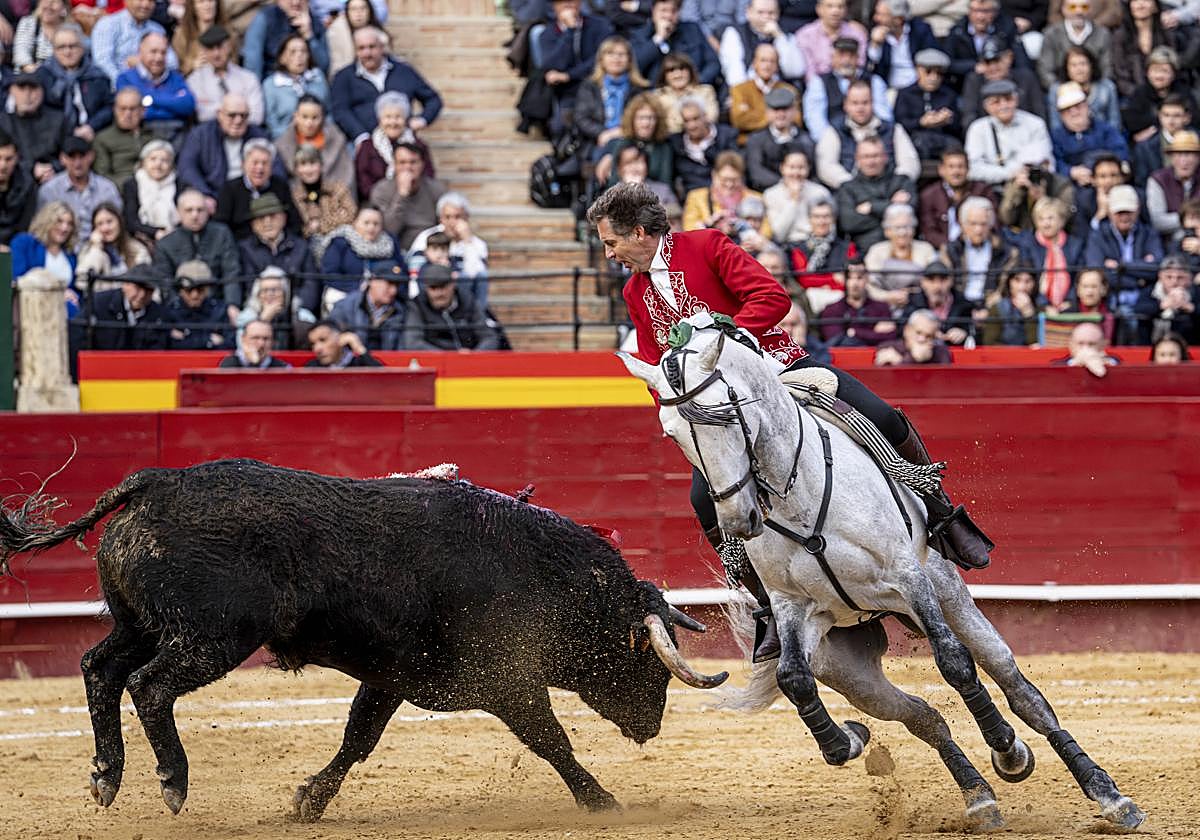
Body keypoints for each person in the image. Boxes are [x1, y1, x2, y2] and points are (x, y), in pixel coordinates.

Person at [586, 181, 995, 660]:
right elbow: (657, 363)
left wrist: (730, 339)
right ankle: (766, 609)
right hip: (720, 411)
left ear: (638, 232)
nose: (609, 254)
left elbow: (771, 298)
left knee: (881, 415)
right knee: (704, 498)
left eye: (611, 242)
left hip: (777, 372)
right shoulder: (636, 291)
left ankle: (943, 515)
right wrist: (675, 409)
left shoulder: (707, 246)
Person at [329, 26, 441, 148]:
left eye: (372, 47)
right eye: (361, 48)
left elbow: (433, 99)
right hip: (362, 144)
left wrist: (422, 120)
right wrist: (360, 136)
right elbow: (340, 111)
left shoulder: (404, 71)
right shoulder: (344, 77)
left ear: (382, 47)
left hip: (403, 143)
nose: (367, 53)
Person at [814, 79, 919, 191]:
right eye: (855, 103)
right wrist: (852, 187)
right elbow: (826, 166)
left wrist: (895, 185)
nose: (860, 108)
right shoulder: (834, 130)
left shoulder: (893, 129)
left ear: (873, 103)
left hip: (888, 192)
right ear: (845, 104)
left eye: (865, 102)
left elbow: (910, 162)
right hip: (849, 194)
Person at [152, 188, 241, 316]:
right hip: (180, 310)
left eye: (200, 210)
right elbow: (166, 284)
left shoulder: (222, 234)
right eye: (189, 210)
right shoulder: (165, 244)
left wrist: (232, 305)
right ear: (178, 213)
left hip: (218, 305)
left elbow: (231, 273)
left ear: (207, 212)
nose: (195, 215)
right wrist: (176, 311)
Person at [177, 92, 274, 206]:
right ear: (219, 114)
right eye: (232, 115)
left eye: (243, 115)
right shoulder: (200, 135)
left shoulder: (259, 135)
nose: (238, 120)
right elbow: (187, 168)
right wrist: (205, 194)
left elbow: (275, 167)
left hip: (252, 198)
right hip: (212, 195)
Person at [1083, 184, 1164, 312]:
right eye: (1119, 212)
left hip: (1144, 301)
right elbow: (1097, 271)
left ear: (1137, 210)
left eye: (1129, 212)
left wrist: (1121, 266)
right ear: (1110, 212)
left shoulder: (1149, 233)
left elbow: (1157, 266)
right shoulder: (1098, 236)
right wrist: (1138, 281)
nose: (1124, 217)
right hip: (1110, 300)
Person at [803, 35, 892, 146]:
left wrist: (870, 142)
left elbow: (884, 116)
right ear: (832, 57)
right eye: (841, 55)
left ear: (858, 58)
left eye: (851, 56)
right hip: (832, 140)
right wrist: (829, 142)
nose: (846, 61)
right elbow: (815, 119)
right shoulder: (819, 82)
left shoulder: (874, 81)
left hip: (870, 139)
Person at [406, 192, 490, 306]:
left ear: (466, 218)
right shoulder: (426, 237)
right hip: (430, 293)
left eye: (457, 217)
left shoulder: (477, 244)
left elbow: (475, 274)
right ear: (440, 219)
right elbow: (414, 274)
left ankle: (480, 317)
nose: (452, 222)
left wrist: (467, 243)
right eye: (447, 217)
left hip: (462, 295)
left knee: (481, 276)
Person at [963, 78, 1052, 186]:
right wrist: (1009, 174)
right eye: (996, 102)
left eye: (1008, 99)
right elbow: (973, 169)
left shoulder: (1035, 124)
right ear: (986, 106)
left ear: (1016, 100)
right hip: (993, 187)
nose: (1003, 106)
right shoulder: (978, 128)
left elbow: (1043, 159)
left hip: (1031, 183)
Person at [835, 136, 916, 252]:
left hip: (905, 251)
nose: (871, 161)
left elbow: (912, 210)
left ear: (885, 157)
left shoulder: (902, 181)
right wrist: (893, 206)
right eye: (866, 156)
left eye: (876, 156)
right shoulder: (847, 188)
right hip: (864, 253)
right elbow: (848, 223)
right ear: (857, 159)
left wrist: (872, 207)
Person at [537, 0, 616, 116]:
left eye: (572, 0)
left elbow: (601, 58)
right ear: (554, 6)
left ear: (579, 3)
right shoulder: (547, 34)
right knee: (560, 126)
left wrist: (569, 75)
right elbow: (553, 65)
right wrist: (570, 31)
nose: (567, 4)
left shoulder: (599, 25)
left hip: (598, 84)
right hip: (566, 90)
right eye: (561, 2)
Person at [319, 206, 404, 314]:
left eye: (376, 224)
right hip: (346, 292)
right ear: (355, 223)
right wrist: (360, 287)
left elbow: (401, 272)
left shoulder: (390, 243)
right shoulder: (340, 242)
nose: (371, 227)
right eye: (366, 223)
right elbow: (329, 274)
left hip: (384, 297)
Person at [35, 22, 112, 141]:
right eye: (61, 47)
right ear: (54, 50)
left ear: (82, 48)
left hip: (92, 134)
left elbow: (109, 107)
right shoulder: (43, 75)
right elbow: (39, 109)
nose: (67, 52)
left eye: (73, 46)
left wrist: (91, 126)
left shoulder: (97, 76)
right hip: (52, 135)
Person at [37, 135, 122, 243]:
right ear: (62, 159)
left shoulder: (107, 188)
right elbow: (42, 228)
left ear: (91, 156)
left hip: (101, 246)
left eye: (82, 156)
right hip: (62, 248)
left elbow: (117, 225)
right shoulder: (49, 190)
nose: (77, 163)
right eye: (72, 157)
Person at [403, 263, 504, 352]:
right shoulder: (417, 305)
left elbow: (489, 337)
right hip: (436, 365)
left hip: (470, 362)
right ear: (426, 288)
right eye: (433, 288)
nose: (439, 293)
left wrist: (474, 356)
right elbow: (413, 342)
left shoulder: (468, 301)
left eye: (443, 286)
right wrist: (450, 357)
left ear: (453, 284)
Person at [353, 91, 435, 201]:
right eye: (388, 117)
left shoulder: (419, 145)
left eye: (398, 117)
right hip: (377, 203)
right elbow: (362, 182)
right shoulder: (367, 147)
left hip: (414, 202)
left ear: (405, 119)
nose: (393, 122)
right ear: (380, 120)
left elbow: (428, 177)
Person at [214, 137, 301, 239]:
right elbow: (221, 227)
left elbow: (294, 222)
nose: (260, 168)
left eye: (265, 163)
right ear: (243, 165)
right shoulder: (229, 189)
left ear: (271, 167)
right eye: (255, 163)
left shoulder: (280, 185)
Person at [114, 32, 196, 139]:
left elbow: (188, 106)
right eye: (153, 52)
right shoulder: (126, 78)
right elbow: (135, 114)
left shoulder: (176, 78)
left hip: (178, 133)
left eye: (163, 53)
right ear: (140, 52)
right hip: (141, 135)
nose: (158, 58)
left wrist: (149, 99)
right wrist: (173, 105)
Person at [941, 195, 1018, 307]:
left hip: (992, 306)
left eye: (983, 224)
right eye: (973, 224)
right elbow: (947, 283)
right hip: (957, 305)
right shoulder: (950, 250)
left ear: (990, 224)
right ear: (963, 225)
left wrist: (989, 306)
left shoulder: (1006, 252)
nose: (978, 230)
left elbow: (1003, 287)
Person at [369, 141, 446, 250]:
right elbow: (388, 231)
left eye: (413, 162)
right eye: (402, 162)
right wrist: (402, 195)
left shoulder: (436, 189)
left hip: (429, 249)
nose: (408, 167)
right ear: (394, 165)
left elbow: (444, 227)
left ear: (422, 164)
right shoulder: (381, 190)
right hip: (393, 251)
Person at [1050, 82, 1127, 189]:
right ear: (1061, 115)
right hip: (1072, 186)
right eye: (1067, 109)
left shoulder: (1105, 129)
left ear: (1087, 106)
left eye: (1078, 106)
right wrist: (1071, 172)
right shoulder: (1056, 136)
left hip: (1107, 182)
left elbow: (1120, 152)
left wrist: (1099, 172)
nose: (1074, 112)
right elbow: (1054, 162)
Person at [863, 203, 936, 314]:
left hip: (919, 306)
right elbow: (868, 285)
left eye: (907, 227)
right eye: (897, 228)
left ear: (914, 229)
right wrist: (888, 296)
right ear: (887, 231)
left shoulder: (926, 249)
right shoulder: (876, 251)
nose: (902, 233)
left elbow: (933, 282)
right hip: (882, 306)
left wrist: (912, 295)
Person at [1017, 196, 1086, 312]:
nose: (1046, 223)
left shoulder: (1075, 245)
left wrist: (1069, 301)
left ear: (1062, 221)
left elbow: (1078, 277)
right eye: (1041, 219)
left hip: (1070, 304)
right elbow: (1028, 278)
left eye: (1050, 218)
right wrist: (1044, 305)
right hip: (1037, 305)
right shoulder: (1028, 245)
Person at [0, 72, 71, 185]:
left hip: (54, 180)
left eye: (33, 88)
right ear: (12, 91)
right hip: (14, 183)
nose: (27, 95)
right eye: (22, 89)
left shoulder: (58, 120)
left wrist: (53, 168)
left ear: (42, 91)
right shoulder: (3, 122)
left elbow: (70, 152)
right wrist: (31, 168)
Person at [630, 0, 720, 89]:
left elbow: (713, 63)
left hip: (692, 91)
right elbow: (635, 67)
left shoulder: (692, 30)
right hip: (657, 95)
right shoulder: (639, 35)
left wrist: (697, 82)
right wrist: (658, 39)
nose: (668, 16)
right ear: (653, 11)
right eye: (663, 10)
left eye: (673, 11)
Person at [958, 36, 1045, 127]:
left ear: (1009, 57)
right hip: (987, 135)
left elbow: (1039, 113)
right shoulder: (974, 81)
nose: (993, 67)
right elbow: (969, 118)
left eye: (997, 61)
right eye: (987, 62)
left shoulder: (1026, 78)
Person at [187, 24, 264, 125]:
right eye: (210, 49)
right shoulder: (195, 80)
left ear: (229, 47)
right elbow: (201, 115)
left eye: (220, 47)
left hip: (243, 134)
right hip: (209, 135)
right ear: (204, 51)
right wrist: (238, 111)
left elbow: (257, 116)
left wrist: (216, 109)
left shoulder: (248, 78)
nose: (216, 54)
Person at [918, 148, 995, 250]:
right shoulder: (929, 195)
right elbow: (928, 231)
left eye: (961, 166)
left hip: (979, 247)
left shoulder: (982, 191)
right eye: (951, 167)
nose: (956, 171)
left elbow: (993, 225)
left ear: (968, 169)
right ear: (941, 170)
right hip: (941, 250)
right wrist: (952, 248)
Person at [591, 91, 672, 188]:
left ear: (658, 121)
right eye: (641, 118)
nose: (646, 124)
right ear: (632, 120)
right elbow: (612, 182)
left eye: (651, 118)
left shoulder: (663, 148)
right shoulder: (620, 144)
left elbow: (665, 184)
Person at [682, 150, 770, 238]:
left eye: (735, 180)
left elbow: (766, 231)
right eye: (724, 179)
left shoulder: (756, 198)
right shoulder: (696, 197)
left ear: (742, 177)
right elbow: (688, 230)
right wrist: (711, 223)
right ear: (714, 175)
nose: (729, 184)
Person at [717, 0, 805, 88]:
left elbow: (795, 71)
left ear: (778, 13)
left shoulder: (786, 35)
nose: (766, 17)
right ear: (748, 12)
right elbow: (734, 74)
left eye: (771, 13)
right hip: (743, 92)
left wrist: (779, 37)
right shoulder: (734, 32)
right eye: (760, 12)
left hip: (779, 94)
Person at [11, 201, 78, 315]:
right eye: (59, 221)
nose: (64, 228)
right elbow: (17, 278)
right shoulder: (25, 243)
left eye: (69, 223)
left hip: (66, 316)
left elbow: (75, 288)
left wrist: (74, 296)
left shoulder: (71, 256)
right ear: (47, 221)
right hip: (32, 311)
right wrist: (59, 293)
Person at [893, 48, 961, 162]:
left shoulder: (948, 94)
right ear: (918, 70)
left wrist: (947, 120)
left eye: (939, 73)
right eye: (928, 71)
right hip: (916, 139)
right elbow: (899, 123)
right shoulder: (905, 94)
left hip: (943, 138)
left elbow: (958, 127)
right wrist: (921, 122)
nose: (934, 77)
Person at [790, 199, 857, 312]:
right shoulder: (799, 248)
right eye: (817, 217)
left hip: (840, 299)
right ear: (810, 219)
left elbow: (851, 279)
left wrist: (823, 284)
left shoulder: (847, 247)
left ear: (833, 219)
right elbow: (804, 280)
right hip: (809, 301)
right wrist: (833, 278)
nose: (821, 221)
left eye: (826, 216)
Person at [743, 87, 813, 193]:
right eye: (775, 110)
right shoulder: (756, 139)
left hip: (802, 192)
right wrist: (784, 185)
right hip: (765, 193)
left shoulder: (806, 140)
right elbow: (756, 172)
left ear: (795, 110)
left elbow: (813, 171)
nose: (781, 115)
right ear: (767, 112)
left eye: (785, 109)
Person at [274, 94, 353, 188]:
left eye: (315, 118)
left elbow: (346, 175)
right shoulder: (282, 145)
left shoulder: (337, 140)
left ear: (322, 118)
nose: (309, 123)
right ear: (296, 117)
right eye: (304, 117)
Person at [90, 0, 177, 84]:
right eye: (140, 0)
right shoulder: (108, 25)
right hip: (116, 91)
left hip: (154, 88)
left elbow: (173, 63)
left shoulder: (157, 29)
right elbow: (102, 63)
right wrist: (124, 83)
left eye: (151, 1)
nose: (145, 5)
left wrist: (145, 63)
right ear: (126, 1)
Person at [728, 43, 800, 144]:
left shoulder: (788, 89)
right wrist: (777, 118)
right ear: (754, 63)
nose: (767, 65)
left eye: (772, 61)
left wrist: (754, 115)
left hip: (783, 141)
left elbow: (796, 119)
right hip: (748, 143)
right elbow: (739, 120)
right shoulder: (739, 90)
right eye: (763, 60)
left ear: (777, 66)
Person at [328, 258, 407, 351]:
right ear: (372, 281)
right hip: (354, 363)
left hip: (388, 363)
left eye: (397, 285)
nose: (394, 291)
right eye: (389, 283)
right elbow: (331, 339)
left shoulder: (401, 310)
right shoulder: (345, 307)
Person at [237, 192, 317, 283]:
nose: (267, 223)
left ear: (284, 218)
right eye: (261, 218)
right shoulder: (244, 249)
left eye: (273, 216)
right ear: (253, 224)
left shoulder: (301, 246)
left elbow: (310, 284)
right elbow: (248, 285)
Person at [88, 263, 170, 350]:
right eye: (138, 288)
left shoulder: (159, 315)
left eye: (148, 290)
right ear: (125, 285)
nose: (142, 295)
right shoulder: (99, 304)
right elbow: (79, 339)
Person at [262, 33, 329, 139]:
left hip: (321, 138)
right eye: (293, 52)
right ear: (282, 58)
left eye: (303, 51)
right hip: (286, 141)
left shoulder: (318, 77)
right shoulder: (270, 85)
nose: (299, 56)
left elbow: (329, 112)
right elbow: (271, 124)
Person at [817, 258, 898, 346]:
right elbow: (836, 340)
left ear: (867, 279)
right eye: (850, 278)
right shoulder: (832, 310)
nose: (854, 283)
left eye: (859, 277)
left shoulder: (882, 307)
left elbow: (891, 336)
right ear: (844, 280)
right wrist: (873, 334)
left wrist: (854, 332)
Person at [667, 96, 738, 195]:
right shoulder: (676, 143)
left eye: (696, 119)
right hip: (692, 199)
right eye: (687, 121)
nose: (692, 126)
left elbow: (736, 169)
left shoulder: (726, 135)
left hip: (727, 193)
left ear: (705, 116)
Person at [75, 201, 151, 295]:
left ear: (119, 222)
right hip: (102, 305)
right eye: (100, 224)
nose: (106, 228)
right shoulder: (88, 250)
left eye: (109, 222)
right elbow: (82, 283)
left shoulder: (137, 249)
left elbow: (147, 283)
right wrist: (96, 249)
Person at [240, 0, 329, 79]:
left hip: (307, 86)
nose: (296, 2)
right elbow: (252, 64)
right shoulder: (265, 19)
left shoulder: (314, 23)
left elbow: (323, 66)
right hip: (273, 86)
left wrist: (309, 35)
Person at [234, 265, 316, 349]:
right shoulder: (246, 316)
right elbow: (242, 347)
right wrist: (263, 320)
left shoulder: (303, 315)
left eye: (275, 290)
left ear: (285, 293)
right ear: (258, 295)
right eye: (265, 290)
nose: (270, 294)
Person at [865, 0, 941, 91]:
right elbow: (871, 67)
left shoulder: (920, 30)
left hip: (917, 88)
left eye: (882, 15)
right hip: (889, 88)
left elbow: (932, 57)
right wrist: (875, 45)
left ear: (898, 19)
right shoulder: (875, 30)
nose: (876, 18)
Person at [763, 149, 832, 246]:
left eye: (801, 167)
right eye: (791, 167)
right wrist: (794, 200)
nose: (796, 173)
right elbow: (779, 234)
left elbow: (830, 227)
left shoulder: (820, 192)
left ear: (808, 169)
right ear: (782, 168)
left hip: (818, 243)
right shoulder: (771, 194)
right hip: (788, 246)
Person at [1045, 45, 1120, 134]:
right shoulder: (1056, 90)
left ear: (1091, 65)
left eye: (1083, 64)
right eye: (1074, 65)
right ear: (1067, 68)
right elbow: (1055, 125)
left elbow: (1114, 121)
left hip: (1103, 139)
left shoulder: (1107, 87)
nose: (1079, 69)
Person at [1037, 0, 1111, 90]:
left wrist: (1091, 89)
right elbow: (1045, 70)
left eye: (1084, 7)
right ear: (1063, 9)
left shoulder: (1102, 33)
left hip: (1095, 90)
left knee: (1108, 87)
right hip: (1062, 89)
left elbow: (1107, 68)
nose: (1078, 11)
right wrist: (1065, 90)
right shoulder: (1051, 34)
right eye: (1072, 7)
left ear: (1090, 9)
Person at [290, 143, 356, 241]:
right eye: (303, 164)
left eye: (313, 163)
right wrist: (336, 218)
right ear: (296, 169)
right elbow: (300, 228)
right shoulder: (294, 196)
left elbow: (351, 214)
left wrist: (319, 225)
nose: (309, 170)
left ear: (321, 165)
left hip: (343, 239)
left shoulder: (337, 188)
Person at [902, 259, 977, 345]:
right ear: (923, 282)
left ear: (950, 281)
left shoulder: (962, 303)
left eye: (943, 280)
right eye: (931, 280)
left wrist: (963, 333)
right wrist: (927, 332)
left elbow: (972, 331)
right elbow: (902, 329)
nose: (937, 286)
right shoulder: (913, 302)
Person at [121, 138, 179, 245]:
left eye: (165, 160)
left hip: (175, 236)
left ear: (171, 165)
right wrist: (155, 233)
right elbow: (130, 220)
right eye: (153, 159)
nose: (158, 164)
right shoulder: (132, 184)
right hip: (140, 238)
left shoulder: (179, 184)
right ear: (143, 162)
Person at [794, 0, 867, 83]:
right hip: (819, 87)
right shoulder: (805, 35)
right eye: (830, 6)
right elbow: (809, 71)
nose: (835, 11)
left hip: (853, 85)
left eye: (840, 7)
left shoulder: (857, 34)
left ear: (846, 10)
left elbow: (861, 64)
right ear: (819, 9)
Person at [1133, 253, 1200, 343]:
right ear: (1160, 276)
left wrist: (1190, 308)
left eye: (1180, 278)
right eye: (1169, 277)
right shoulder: (1150, 291)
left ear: (1189, 278)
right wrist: (1161, 305)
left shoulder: (1196, 292)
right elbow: (1138, 309)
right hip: (1150, 343)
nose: (1174, 282)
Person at [1146, 130, 1200, 242]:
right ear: (1171, 157)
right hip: (1168, 243)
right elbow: (1157, 220)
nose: (1184, 160)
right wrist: (1188, 220)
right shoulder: (1158, 179)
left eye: (1189, 154)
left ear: (1198, 157)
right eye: (1179, 154)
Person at [167, 260, 232, 350]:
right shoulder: (170, 312)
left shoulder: (219, 310)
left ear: (207, 289)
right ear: (180, 290)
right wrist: (209, 340)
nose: (195, 295)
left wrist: (186, 339)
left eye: (200, 289)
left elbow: (230, 344)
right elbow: (167, 345)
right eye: (189, 290)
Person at [651, 52, 718, 135]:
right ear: (664, 75)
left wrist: (677, 121)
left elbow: (711, 117)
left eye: (682, 69)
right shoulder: (658, 96)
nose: (678, 75)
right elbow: (659, 126)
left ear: (690, 71)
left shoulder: (705, 91)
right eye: (671, 71)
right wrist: (693, 119)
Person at [1132, 95, 1193, 187]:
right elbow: (1142, 182)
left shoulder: (1196, 141)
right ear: (1160, 116)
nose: (1171, 121)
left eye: (1176, 116)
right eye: (1166, 115)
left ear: (1187, 118)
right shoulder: (1145, 147)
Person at [93, 87, 149, 185]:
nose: (127, 114)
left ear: (142, 111)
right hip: (120, 189)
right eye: (122, 109)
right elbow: (102, 176)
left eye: (132, 109)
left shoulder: (152, 135)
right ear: (114, 110)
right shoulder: (103, 139)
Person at [980, 263, 1038, 345]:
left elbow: (1035, 343)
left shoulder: (1040, 308)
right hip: (1005, 356)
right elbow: (989, 343)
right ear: (1009, 282)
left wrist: (1029, 314)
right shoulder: (997, 308)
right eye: (1017, 280)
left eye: (1028, 281)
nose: (1022, 287)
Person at [174, 0, 233, 77]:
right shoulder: (182, 35)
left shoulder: (228, 32)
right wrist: (191, 66)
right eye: (201, 1)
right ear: (193, 7)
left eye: (211, 1)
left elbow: (234, 64)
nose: (207, 5)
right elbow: (176, 71)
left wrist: (221, 62)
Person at [875, 309, 954, 364]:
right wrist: (912, 359)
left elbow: (942, 382)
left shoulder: (941, 352)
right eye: (918, 333)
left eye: (929, 336)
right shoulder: (887, 347)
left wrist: (901, 362)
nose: (922, 339)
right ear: (907, 330)